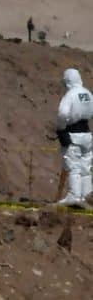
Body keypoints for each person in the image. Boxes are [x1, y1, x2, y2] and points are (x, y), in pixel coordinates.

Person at [56, 68, 93, 206]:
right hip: (87, 135)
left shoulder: (71, 94)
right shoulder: (88, 93)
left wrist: (61, 128)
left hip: (74, 135)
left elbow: (63, 113)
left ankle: (74, 196)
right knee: (86, 168)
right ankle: (86, 197)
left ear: (67, 81)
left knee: (73, 166)